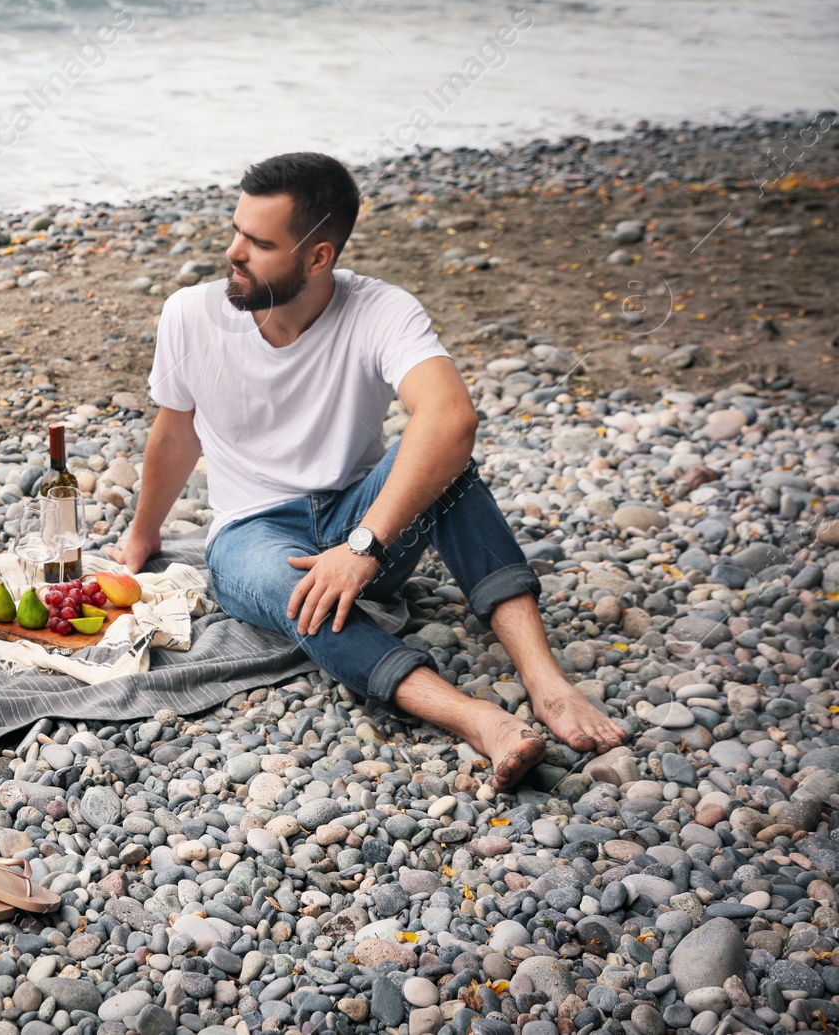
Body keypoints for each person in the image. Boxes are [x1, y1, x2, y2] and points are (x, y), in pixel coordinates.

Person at [104, 152, 625, 790]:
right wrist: (142, 534)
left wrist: (363, 545)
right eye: (237, 230)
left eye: (260, 243)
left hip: (363, 519)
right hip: (254, 533)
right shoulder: (190, 314)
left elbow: (451, 416)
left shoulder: (381, 310)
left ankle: (547, 685)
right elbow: (175, 432)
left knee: (448, 465)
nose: (234, 252)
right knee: (294, 591)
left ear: (318, 256)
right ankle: (473, 719)